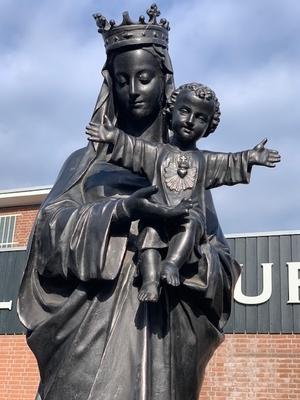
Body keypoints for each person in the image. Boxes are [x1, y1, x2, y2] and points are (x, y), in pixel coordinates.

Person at [18, 6, 242, 400]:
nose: (133, 90)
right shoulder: (85, 163)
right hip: (91, 340)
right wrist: (123, 212)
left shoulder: (186, 168)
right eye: (122, 80)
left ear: (164, 82)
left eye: (144, 78)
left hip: (165, 340)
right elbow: (46, 238)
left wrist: (186, 255)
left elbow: (222, 261)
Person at [86, 82, 280, 303]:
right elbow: (133, 148)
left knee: (192, 222)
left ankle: (171, 265)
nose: (190, 121)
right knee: (149, 231)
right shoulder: (156, 153)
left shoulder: (206, 161)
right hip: (160, 212)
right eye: (185, 111)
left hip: (187, 216)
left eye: (200, 118)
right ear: (172, 111)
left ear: (208, 127)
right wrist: (113, 136)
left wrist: (251, 158)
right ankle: (150, 281)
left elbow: (230, 163)